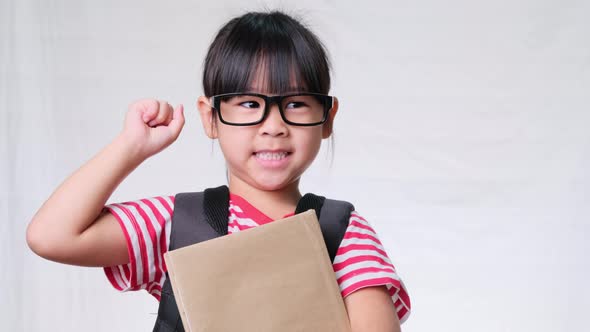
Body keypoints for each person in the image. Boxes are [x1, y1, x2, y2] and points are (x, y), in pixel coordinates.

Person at [26, 10, 411, 331]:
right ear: (210, 118)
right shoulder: (179, 224)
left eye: (295, 103)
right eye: (247, 104)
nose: (272, 125)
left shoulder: (341, 232)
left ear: (327, 118)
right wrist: (130, 148)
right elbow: (52, 236)